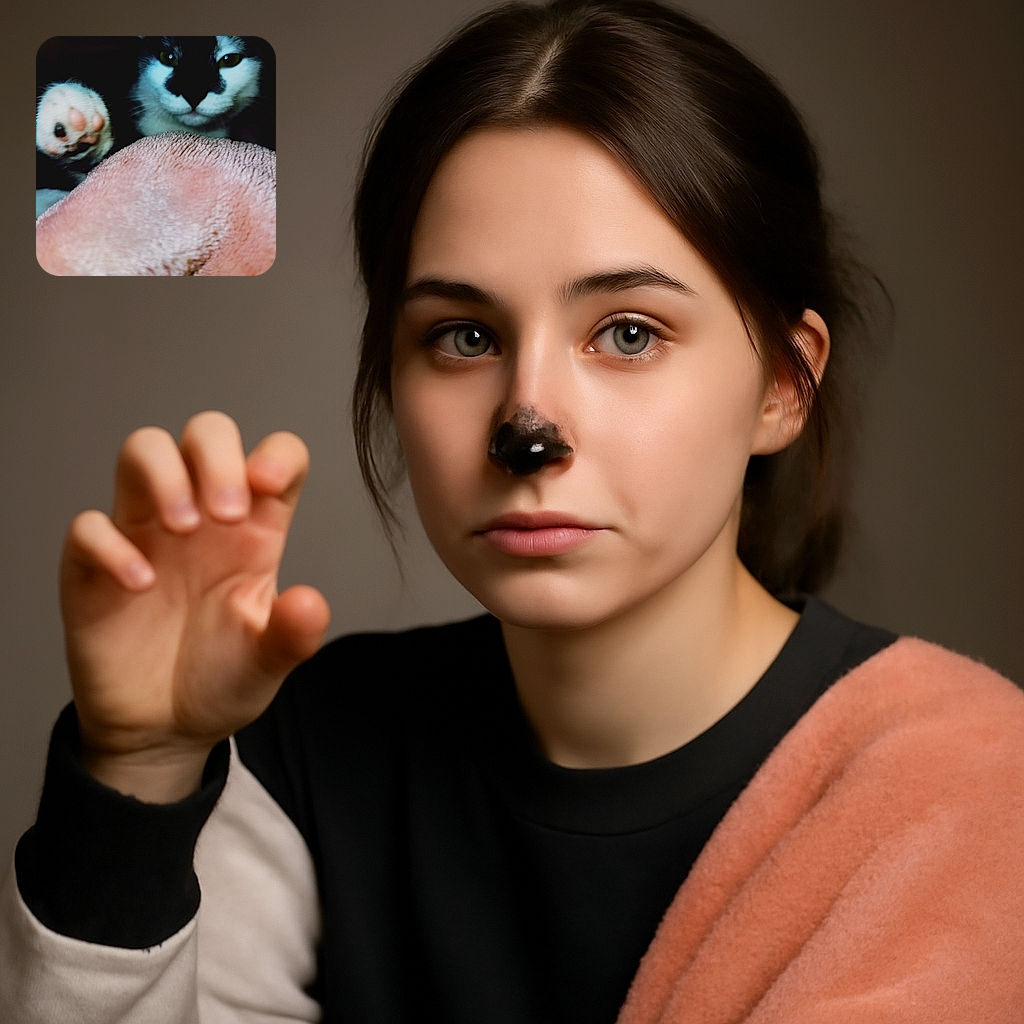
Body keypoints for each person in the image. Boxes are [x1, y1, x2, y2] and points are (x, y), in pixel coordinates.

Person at [4, 1, 1023, 1021]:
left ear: (781, 387)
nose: (526, 426)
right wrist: (136, 775)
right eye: (462, 336)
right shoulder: (297, 758)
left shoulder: (971, 789)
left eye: (627, 333)